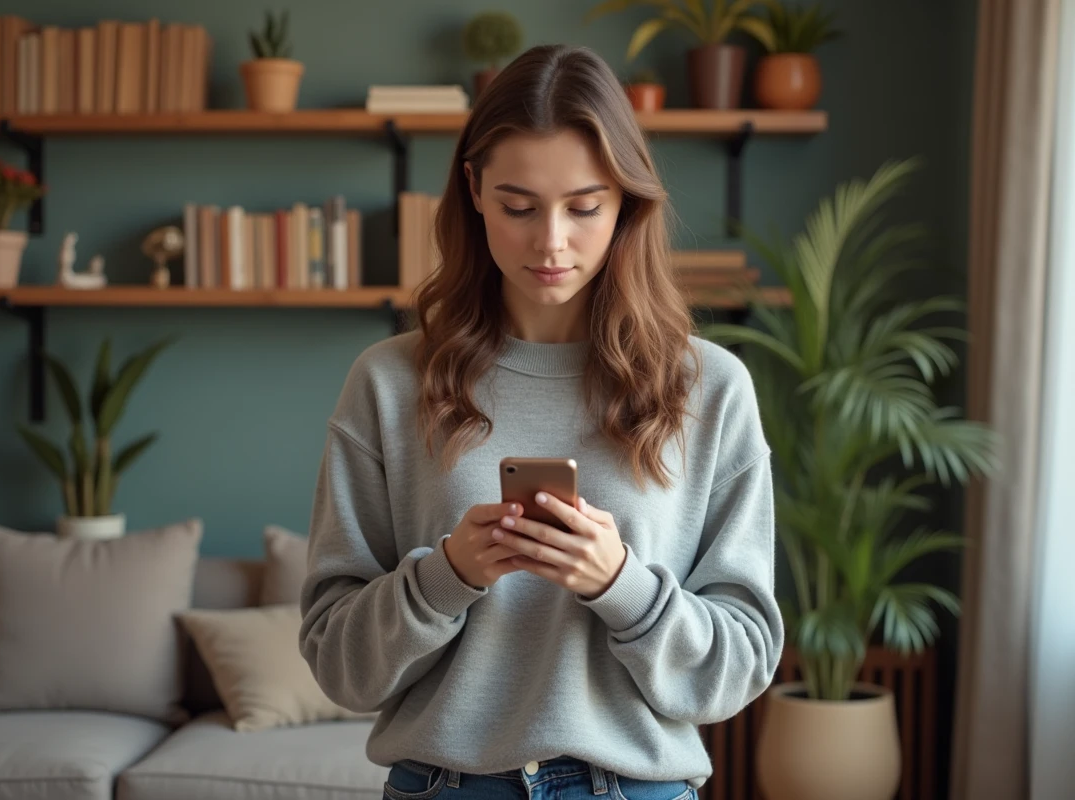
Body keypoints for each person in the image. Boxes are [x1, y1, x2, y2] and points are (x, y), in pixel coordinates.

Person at [299, 43, 784, 800]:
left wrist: (621, 585)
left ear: (625, 200)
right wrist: (446, 577)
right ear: (474, 192)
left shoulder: (710, 387)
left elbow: (741, 667)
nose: (550, 241)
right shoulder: (390, 383)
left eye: (584, 206)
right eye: (518, 206)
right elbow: (338, 663)